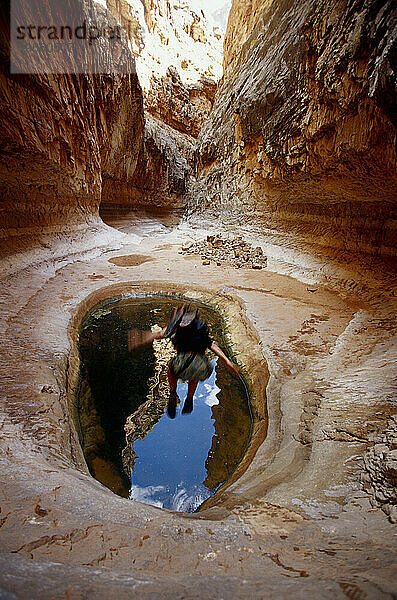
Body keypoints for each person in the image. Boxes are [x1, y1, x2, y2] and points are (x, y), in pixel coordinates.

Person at [153, 306, 240, 418]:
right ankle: (189, 398)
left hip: (181, 366)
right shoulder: (200, 330)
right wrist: (227, 361)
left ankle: (173, 392)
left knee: (171, 366)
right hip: (202, 368)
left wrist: (142, 338)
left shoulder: (174, 329)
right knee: (194, 374)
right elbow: (212, 345)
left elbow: (160, 334)